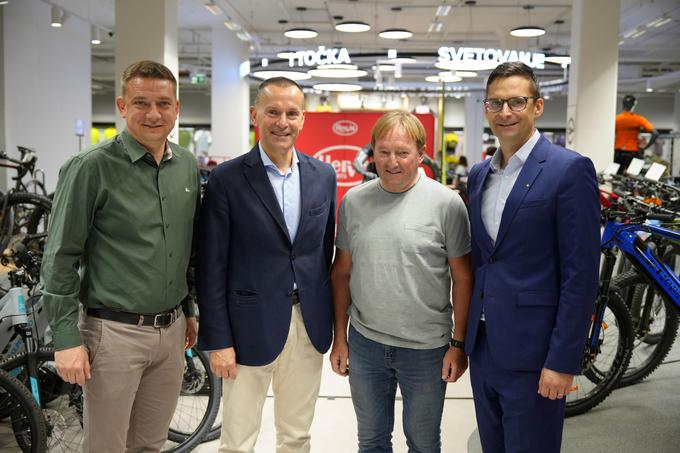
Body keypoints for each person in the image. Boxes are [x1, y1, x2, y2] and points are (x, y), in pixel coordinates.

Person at [41, 60, 200, 452]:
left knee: (150, 444)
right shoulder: (90, 168)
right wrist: (65, 339)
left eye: (164, 104)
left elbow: (185, 248)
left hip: (172, 333)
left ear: (177, 109)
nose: (153, 114)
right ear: (122, 105)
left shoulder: (186, 167)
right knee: (107, 447)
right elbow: (60, 256)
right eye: (141, 102)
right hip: (113, 335)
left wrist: (189, 310)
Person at [465, 62, 600, 453]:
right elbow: (483, 259)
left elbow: (580, 275)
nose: (505, 112)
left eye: (516, 102)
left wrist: (562, 360)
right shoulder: (478, 174)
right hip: (486, 345)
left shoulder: (569, 170)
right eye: (495, 103)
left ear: (537, 106)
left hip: (536, 353)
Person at [196, 77, 337, 453]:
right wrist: (219, 340)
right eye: (273, 112)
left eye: (292, 113)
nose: (282, 121)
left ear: (303, 118)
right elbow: (211, 266)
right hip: (246, 328)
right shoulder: (227, 179)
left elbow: (322, 255)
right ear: (255, 114)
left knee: (296, 436)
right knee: (238, 441)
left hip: (307, 325)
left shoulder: (323, 176)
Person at [330, 111, 473, 452]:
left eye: (402, 152)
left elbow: (464, 277)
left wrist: (458, 344)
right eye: (383, 151)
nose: (392, 161)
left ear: (421, 154)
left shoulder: (447, 204)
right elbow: (341, 273)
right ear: (372, 153)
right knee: (372, 441)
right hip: (366, 345)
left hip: (426, 350)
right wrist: (340, 337)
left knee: (423, 443)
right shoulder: (354, 202)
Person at [614, 94, 659, 174]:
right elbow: (655, 133)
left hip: (618, 153)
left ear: (622, 104)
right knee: (633, 178)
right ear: (634, 104)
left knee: (616, 177)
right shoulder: (638, 119)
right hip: (632, 153)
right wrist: (645, 148)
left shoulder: (616, 119)